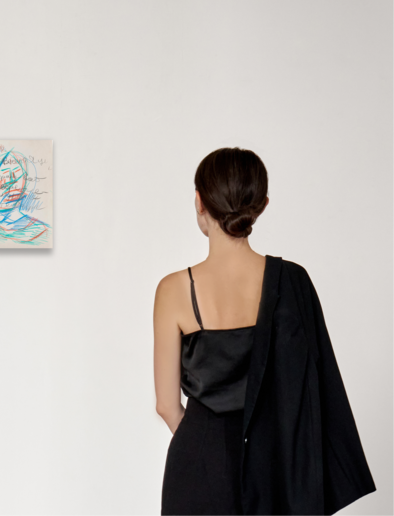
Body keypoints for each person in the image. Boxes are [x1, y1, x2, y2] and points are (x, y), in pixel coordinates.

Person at [153, 148, 375, 516]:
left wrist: (206, 447)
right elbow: (317, 392)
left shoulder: (173, 290)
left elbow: (165, 405)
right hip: (277, 467)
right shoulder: (293, 282)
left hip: (197, 466)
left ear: (199, 201)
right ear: (262, 205)